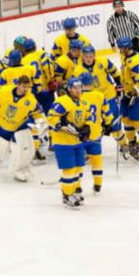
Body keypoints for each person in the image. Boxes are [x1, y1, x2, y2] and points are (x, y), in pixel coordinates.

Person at [0, 75, 46, 182]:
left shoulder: (31, 100)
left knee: (24, 148)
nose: (26, 89)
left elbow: (38, 114)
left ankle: (21, 170)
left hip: (18, 127)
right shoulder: (4, 91)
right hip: (0, 124)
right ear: (18, 85)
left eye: (28, 87)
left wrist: (41, 125)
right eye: (23, 87)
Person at [47, 77, 92, 207]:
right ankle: (66, 195)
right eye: (75, 88)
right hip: (63, 143)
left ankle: (73, 191)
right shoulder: (62, 102)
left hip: (77, 142)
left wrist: (87, 127)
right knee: (69, 169)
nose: (78, 90)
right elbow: (51, 117)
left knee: (78, 168)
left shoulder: (84, 102)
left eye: (79, 87)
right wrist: (59, 124)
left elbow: (88, 117)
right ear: (69, 89)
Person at [73, 44, 125, 149]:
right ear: (82, 57)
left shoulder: (103, 62)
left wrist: (119, 84)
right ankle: (90, 149)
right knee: (92, 125)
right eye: (86, 57)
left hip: (108, 96)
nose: (89, 59)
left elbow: (115, 72)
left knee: (114, 124)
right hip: (93, 100)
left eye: (91, 56)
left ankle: (124, 145)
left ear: (94, 55)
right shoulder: (78, 70)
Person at [78, 72, 113, 193]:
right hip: (96, 133)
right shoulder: (100, 96)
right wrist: (108, 124)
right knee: (96, 159)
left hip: (81, 134)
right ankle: (98, 184)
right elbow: (108, 114)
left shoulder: (78, 97)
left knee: (79, 161)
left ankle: (77, 185)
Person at [118, 37, 139, 160]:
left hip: (136, 95)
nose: (120, 50)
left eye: (121, 48)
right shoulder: (125, 57)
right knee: (126, 119)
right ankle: (132, 143)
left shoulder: (136, 60)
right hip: (127, 94)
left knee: (136, 121)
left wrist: (135, 93)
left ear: (127, 47)